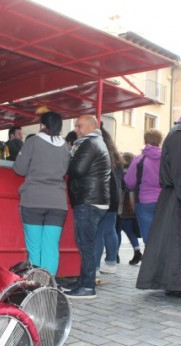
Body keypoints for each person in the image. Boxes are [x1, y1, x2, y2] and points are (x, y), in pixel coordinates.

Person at [136, 99, 181, 297]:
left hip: (178, 195)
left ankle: (176, 283)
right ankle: (175, 285)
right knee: (178, 240)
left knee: (176, 240)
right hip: (179, 196)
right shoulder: (180, 136)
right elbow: (180, 170)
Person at [13, 111, 70, 275]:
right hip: (58, 203)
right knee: (51, 247)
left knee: (35, 248)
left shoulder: (33, 142)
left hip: (33, 201)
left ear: (42, 125)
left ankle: (36, 286)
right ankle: (48, 284)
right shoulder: (66, 146)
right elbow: (65, 170)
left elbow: (20, 168)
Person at [64, 115, 111, 299]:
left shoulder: (89, 143)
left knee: (86, 245)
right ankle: (83, 281)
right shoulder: (96, 141)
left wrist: (68, 157)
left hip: (89, 199)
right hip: (93, 198)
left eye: (79, 125)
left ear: (91, 126)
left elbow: (77, 170)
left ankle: (88, 286)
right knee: (85, 244)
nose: (76, 129)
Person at [124, 129, 163, 243]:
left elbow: (129, 182)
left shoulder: (139, 160)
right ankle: (160, 259)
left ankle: (150, 259)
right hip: (163, 201)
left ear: (145, 140)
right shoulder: (166, 158)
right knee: (161, 235)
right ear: (160, 141)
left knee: (148, 237)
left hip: (144, 201)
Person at [96, 125, 122, 275]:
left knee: (98, 231)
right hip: (114, 195)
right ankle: (111, 262)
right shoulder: (115, 155)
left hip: (101, 194)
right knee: (110, 229)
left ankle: (96, 267)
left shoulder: (97, 150)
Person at [118, 152, 142, 265]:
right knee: (129, 230)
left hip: (122, 206)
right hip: (132, 206)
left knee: (119, 229)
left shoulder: (122, 173)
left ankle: (114, 254)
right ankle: (136, 250)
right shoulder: (136, 172)